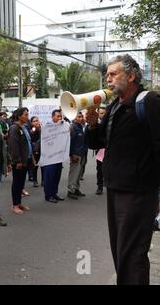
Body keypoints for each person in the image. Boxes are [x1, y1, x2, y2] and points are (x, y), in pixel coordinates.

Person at [86, 54, 160, 285]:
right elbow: (97, 142)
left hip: (139, 191)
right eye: (107, 75)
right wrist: (91, 123)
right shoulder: (114, 107)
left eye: (113, 74)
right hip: (116, 187)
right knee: (121, 251)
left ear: (131, 76)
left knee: (133, 254)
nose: (108, 79)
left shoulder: (149, 102)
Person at [8, 107, 32, 215]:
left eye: (28, 114)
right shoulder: (14, 128)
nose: (27, 117)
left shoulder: (23, 127)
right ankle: (15, 205)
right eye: (25, 115)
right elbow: (14, 145)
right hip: (19, 162)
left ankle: (19, 203)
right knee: (17, 183)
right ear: (19, 116)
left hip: (25, 160)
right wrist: (17, 161)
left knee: (21, 183)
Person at [41, 110, 65, 203]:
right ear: (52, 117)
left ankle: (54, 193)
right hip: (49, 157)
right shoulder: (47, 126)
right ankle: (48, 195)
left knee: (56, 176)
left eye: (60, 117)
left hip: (58, 157)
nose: (60, 118)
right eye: (58, 116)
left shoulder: (62, 126)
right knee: (49, 177)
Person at [67, 112, 88, 200]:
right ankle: (70, 190)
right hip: (76, 154)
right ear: (74, 118)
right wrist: (72, 154)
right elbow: (70, 142)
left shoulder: (81, 127)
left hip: (82, 154)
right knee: (74, 173)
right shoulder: (73, 128)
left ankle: (76, 189)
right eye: (78, 117)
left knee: (79, 174)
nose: (81, 118)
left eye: (81, 116)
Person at [95, 107, 106, 195]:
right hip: (100, 151)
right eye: (101, 113)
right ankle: (100, 186)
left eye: (104, 113)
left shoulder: (110, 123)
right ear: (98, 114)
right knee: (100, 169)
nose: (103, 115)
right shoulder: (95, 125)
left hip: (110, 150)